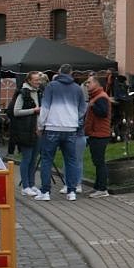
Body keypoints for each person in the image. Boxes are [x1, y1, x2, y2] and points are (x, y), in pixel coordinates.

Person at [36, 64, 87, 201]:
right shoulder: (77, 88)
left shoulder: (51, 86)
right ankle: (72, 191)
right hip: (70, 128)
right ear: (71, 73)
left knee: (47, 159)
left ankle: (45, 192)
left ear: (59, 72)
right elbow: (83, 109)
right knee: (71, 160)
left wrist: (40, 126)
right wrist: (74, 119)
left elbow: (45, 108)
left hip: (52, 127)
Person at [11, 72, 45, 197]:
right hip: (25, 130)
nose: (38, 82)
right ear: (29, 81)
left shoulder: (39, 92)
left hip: (37, 130)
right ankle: (25, 186)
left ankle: (31, 184)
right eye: (36, 80)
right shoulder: (23, 93)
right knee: (27, 158)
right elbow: (16, 112)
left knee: (34, 159)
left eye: (39, 80)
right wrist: (34, 110)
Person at [83, 75, 113, 198]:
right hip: (95, 133)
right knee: (97, 161)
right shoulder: (96, 96)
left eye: (89, 82)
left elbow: (103, 112)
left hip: (99, 134)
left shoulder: (100, 97)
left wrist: (92, 106)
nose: (87, 84)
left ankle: (102, 189)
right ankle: (97, 186)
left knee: (99, 162)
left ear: (96, 83)